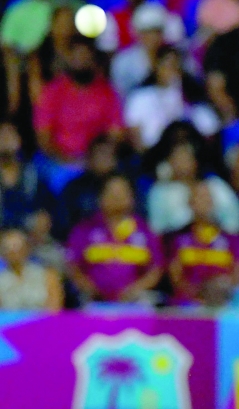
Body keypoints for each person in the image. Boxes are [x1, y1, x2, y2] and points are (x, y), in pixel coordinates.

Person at [66, 174, 164, 304]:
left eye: (122, 192)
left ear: (132, 198)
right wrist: (90, 288)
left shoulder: (145, 231)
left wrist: (136, 289)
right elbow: (72, 266)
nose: (117, 197)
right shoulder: (84, 229)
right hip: (92, 299)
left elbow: (156, 269)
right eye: (111, 192)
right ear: (100, 198)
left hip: (135, 300)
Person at [33, 36, 123, 164]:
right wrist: (67, 160)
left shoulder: (108, 92)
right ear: (69, 59)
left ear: (93, 59)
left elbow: (116, 134)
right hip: (58, 160)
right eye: (77, 56)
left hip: (96, 160)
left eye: (85, 56)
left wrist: (93, 159)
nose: (81, 60)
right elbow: (43, 136)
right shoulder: (52, 91)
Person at [166, 181, 239, 306]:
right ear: (190, 203)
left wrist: (217, 294)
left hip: (225, 298)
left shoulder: (231, 239)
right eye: (199, 197)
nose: (205, 202)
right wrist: (199, 296)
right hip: (189, 300)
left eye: (208, 197)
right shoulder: (177, 238)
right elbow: (176, 278)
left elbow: (238, 274)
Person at [124, 45, 220, 151]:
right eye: (167, 65)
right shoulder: (140, 97)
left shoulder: (192, 99)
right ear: (156, 66)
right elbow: (135, 136)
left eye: (175, 66)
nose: (171, 71)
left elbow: (210, 131)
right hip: (152, 155)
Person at [147, 140, 239, 235]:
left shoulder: (215, 185)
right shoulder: (160, 191)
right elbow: (157, 228)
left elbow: (234, 220)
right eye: (178, 158)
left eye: (186, 158)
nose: (182, 163)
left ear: (195, 161)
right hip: (177, 243)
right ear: (169, 162)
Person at [0, 228, 62, 310]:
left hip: (42, 321)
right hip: (11, 322)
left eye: (18, 248)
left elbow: (55, 309)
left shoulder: (48, 275)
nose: (14, 253)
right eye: (9, 249)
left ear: (27, 249)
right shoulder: (2, 279)